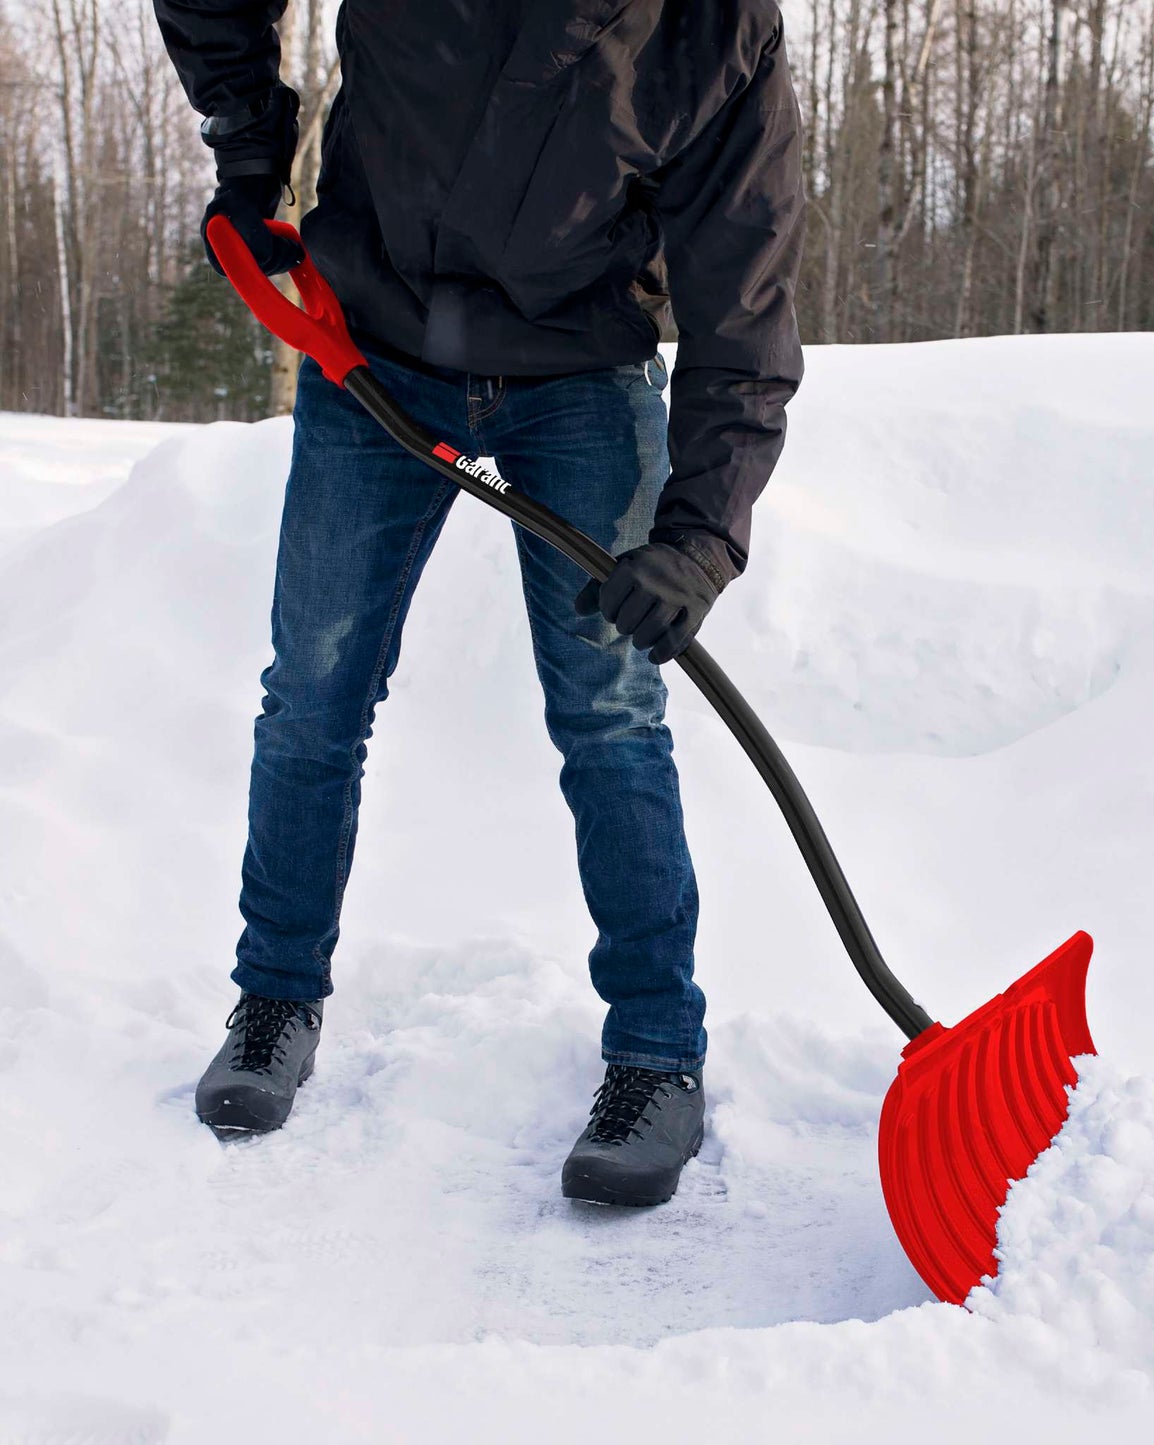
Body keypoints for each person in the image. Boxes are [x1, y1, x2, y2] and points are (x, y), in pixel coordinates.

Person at [152, 0, 805, 1207]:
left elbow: (744, 299)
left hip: (579, 370)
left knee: (610, 713)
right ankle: (274, 999)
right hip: (376, 344)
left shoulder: (716, 30)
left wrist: (701, 537)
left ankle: (657, 1054)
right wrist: (249, 144)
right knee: (313, 690)